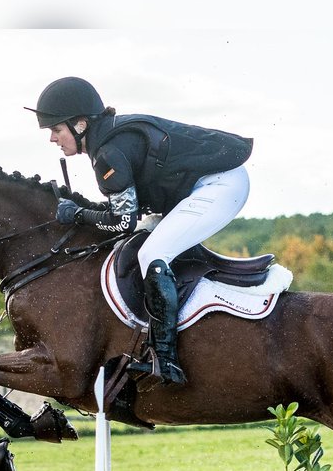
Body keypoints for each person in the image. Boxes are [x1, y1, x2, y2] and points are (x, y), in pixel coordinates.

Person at [27, 76, 253, 386]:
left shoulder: (108, 153)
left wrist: (78, 214)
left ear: (80, 125)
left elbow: (123, 221)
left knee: (152, 252)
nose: (53, 139)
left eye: (56, 130)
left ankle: (165, 360)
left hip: (221, 185)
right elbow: (126, 216)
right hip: (205, 185)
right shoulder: (109, 142)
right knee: (142, 244)